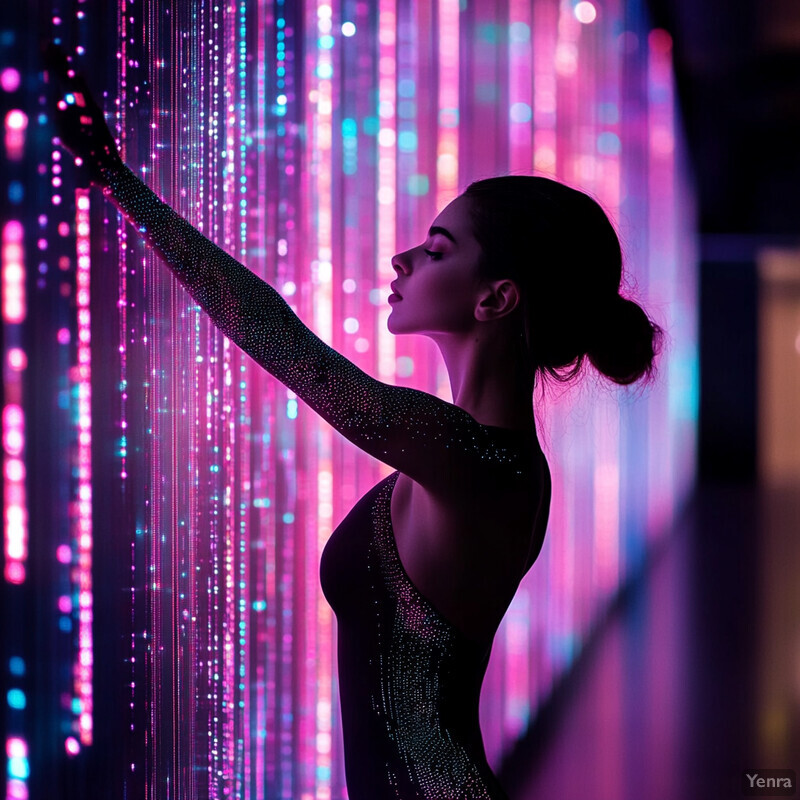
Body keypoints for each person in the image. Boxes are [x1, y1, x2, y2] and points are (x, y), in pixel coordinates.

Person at [46, 46, 660, 800]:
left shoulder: (475, 462)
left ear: (495, 299)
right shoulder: (461, 454)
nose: (402, 260)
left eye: (437, 249)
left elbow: (283, 342)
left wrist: (122, 185)